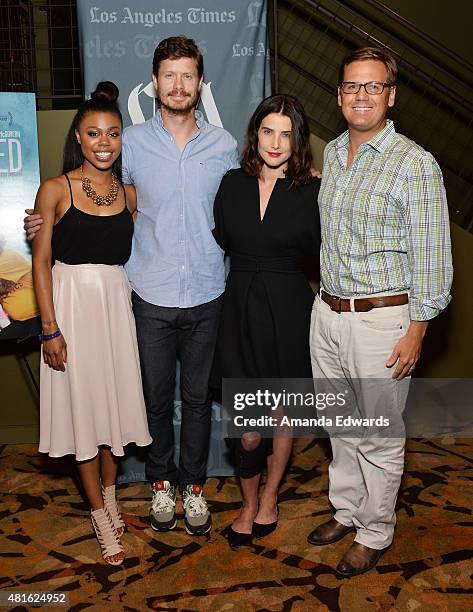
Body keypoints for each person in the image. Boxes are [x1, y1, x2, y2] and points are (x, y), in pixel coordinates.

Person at [26, 36, 239, 536]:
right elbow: (89, 198)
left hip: (208, 290)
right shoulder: (131, 142)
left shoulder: (225, 146)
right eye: (169, 75)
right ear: (155, 82)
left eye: (188, 75)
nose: (179, 84)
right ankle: (161, 486)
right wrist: (40, 224)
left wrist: (303, 175)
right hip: (147, 294)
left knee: (199, 399)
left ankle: (194, 488)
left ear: (200, 83)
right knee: (156, 400)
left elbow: (250, 195)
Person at [308, 47, 453, 577]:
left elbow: (434, 260)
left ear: (390, 96)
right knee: (339, 426)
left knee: (377, 433)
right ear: (340, 95)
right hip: (326, 313)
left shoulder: (414, 164)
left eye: (372, 87)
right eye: (352, 86)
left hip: (382, 321)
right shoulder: (336, 153)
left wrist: (417, 331)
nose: (361, 95)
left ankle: (375, 531)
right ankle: (347, 512)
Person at [32, 82, 152, 566]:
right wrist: (49, 328)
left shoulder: (129, 193)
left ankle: (111, 496)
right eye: (94, 134)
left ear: (122, 139)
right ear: (78, 139)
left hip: (114, 311)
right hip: (71, 309)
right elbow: (40, 262)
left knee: (114, 411)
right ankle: (101, 516)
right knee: (84, 415)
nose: (105, 143)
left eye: (114, 134)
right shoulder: (55, 189)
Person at [212, 94, 321, 548]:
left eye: (286, 133)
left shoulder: (313, 190)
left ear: (297, 141)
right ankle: (248, 500)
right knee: (249, 430)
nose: (275, 142)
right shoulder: (230, 183)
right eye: (267, 130)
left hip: (289, 311)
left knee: (280, 417)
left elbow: (322, 253)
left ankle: (268, 498)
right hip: (238, 311)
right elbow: (219, 239)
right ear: (254, 133)